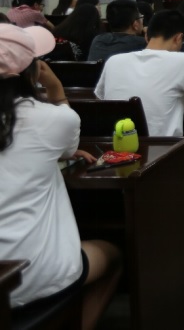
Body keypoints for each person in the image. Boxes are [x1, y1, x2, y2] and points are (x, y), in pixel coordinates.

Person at [0, 24, 121, 328]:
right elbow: (66, 145)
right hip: (29, 274)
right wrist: (56, 90)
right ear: (32, 71)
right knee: (113, 254)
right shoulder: (52, 119)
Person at [95, 10, 184, 243]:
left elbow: (102, 98)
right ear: (179, 38)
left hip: (118, 153)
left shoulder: (114, 61)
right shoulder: (183, 61)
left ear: (147, 35)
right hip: (164, 157)